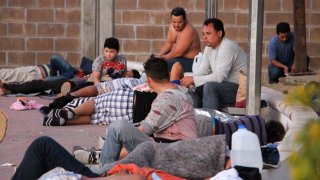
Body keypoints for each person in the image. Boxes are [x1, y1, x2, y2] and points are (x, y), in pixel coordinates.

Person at [180, 18, 247, 109]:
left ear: (219, 33)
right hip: (224, 86)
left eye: (208, 33)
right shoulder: (209, 47)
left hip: (240, 90)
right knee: (193, 88)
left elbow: (219, 77)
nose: (204, 37)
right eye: (203, 34)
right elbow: (204, 70)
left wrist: (194, 79)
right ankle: (196, 119)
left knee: (210, 86)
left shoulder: (226, 47)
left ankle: (210, 121)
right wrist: (191, 81)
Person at [156, 7, 201, 73]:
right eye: (174, 22)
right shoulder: (172, 26)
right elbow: (169, 43)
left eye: (179, 22)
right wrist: (159, 55)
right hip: (178, 58)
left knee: (166, 63)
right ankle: (144, 79)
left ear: (185, 20)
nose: (176, 25)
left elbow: (178, 52)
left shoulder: (189, 31)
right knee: (154, 60)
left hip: (191, 62)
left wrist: (162, 58)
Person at [0, 54, 79, 83]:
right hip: (44, 78)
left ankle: (74, 74)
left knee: (54, 57)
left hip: (52, 70)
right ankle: (75, 75)